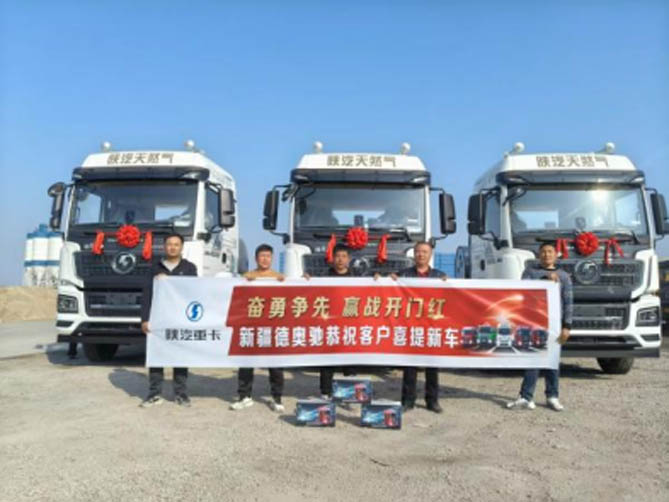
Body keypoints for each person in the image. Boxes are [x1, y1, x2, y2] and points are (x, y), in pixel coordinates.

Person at [507, 241, 573, 412]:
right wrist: (545, 280)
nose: (546, 255)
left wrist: (567, 326)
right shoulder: (530, 273)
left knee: (553, 361)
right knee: (533, 359)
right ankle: (526, 396)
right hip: (534, 323)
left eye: (550, 251)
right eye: (543, 252)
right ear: (538, 254)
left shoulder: (563, 276)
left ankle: (552, 396)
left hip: (555, 324)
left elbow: (568, 302)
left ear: (556, 255)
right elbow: (524, 291)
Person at [386, 241, 448, 414]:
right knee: (409, 366)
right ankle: (408, 401)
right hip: (410, 326)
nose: (421, 255)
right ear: (414, 254)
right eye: (418, 251)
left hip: (431, 326)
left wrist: (447, 283)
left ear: (430, 255)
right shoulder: (403, 275)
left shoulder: (439, 276)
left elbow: (448, 298)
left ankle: (432, 401)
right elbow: (388, 290)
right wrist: (387, 279)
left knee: (432, 366)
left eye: (424, 252)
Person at [139, 233, 198, 408]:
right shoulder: (154, 268)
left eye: (176, 244)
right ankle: (154, 394)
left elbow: (194, 292)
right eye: (169, 244)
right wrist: (145, 319)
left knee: (180, 358)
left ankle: (181, 394)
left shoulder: (189, 268)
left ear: (182, 247)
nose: (172, 247)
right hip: (158, 319)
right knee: (157, 357)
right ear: (164, 247)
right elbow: (147, 295)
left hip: (180, 320)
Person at [230, 244, 286, 413]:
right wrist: (244, 282)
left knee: (275, 365)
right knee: (246, 363)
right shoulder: (247, 277)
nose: (265, 259)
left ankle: (277, 398)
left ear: (272, 258)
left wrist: (302, 280)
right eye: (262, 256)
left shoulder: (280, 278)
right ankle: (244, 396)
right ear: (256, 258)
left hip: (272, 326)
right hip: (251, 326)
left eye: (268, 256)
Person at [305, 243, 357, 399]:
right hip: (329, 324)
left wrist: (377, 279)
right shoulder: (324, 276)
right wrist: (306, 280)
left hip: (349, 324)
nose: (340, 259)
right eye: (337, 256)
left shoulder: (357, 277)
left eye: (343, 256)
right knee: (327, 359)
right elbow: (312, 291)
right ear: (332, 258)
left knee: (350, 360)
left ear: (349, 259)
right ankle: (326, 392)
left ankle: (350, 393)